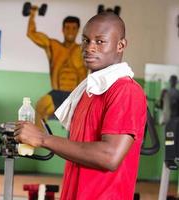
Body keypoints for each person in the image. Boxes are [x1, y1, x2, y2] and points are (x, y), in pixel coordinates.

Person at [16, 12, 147, 200]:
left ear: (121, 45)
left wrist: (44, 139)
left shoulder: (125, 91)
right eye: (85, 40)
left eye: (100, 41)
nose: (89, 47)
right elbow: (79, 150)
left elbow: (109, 157)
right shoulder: (88, 91)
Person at [27, 6, 87, 128]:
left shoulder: (84, 49)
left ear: (78, 30)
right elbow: (31, 34)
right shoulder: (53, 46)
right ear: (63, 29)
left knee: (83, 120)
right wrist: (32, 13)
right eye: (68, 27)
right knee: (40, 107)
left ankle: (75, 145)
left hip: (77, 95)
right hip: (57, 93)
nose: (70, 31)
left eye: (74, 28)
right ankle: (39, 142)